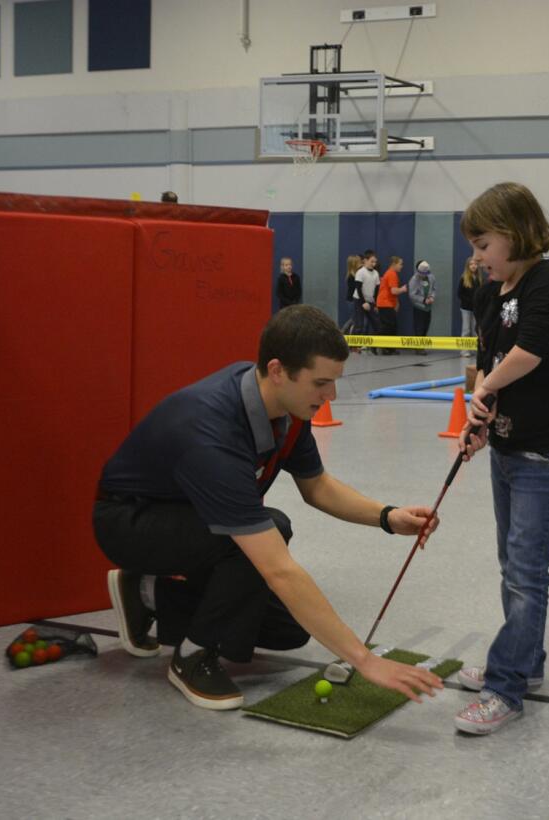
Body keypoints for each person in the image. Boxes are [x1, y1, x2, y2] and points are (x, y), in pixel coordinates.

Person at [93, 306, 444, 711]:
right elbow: (277, 568)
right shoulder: (212, 433)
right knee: (267, 533)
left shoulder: (286, 407)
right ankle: (191, 656)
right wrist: (363, 660)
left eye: (334, 383)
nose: (331, 397)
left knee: (285, 631)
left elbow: (318, 486)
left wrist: (387, 516)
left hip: (188, 518)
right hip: (128, 522)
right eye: (321, 383)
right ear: (278, 370)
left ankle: (146, 592)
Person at [453, 182, 549, 735]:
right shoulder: (493, 292)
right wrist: (477, 419)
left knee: (528, 573)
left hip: (546, 454)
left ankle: (505, 687)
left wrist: (483, 393)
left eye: (484, 244)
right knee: (513, 566)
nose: (477, 257)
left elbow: (528, 352)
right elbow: (488, 360)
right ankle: (525, 665)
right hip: (505, 447)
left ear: (515, 232)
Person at [376, 256, 407, 354]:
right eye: (400, 264)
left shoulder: (390, 273)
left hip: (387, 303)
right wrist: (403, 289)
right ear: (394, 264)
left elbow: (391, 291)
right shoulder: (392, 274)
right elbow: (394, 291)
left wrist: (396, 303)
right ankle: (375, 344)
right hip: (385, 303)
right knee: (387, 327)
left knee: (391, 327)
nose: (402, 266)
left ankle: (389, 348)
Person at [354, 250, 381, 338]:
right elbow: (358, 288)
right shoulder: (361, 272)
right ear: (365, 261)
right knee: (359, 325)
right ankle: (353, 347)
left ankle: (373, 347)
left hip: (370, 301)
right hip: (359, 300)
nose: (374, 264)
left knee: (376, 323)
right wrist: (363, 302)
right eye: (371, 261)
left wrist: (376, 304)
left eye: (375, 262)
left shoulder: (376, 273)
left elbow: (377, 290)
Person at [408, 260, 436, 341]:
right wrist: (423, 300)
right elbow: (412, 295)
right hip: (419, 307)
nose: (424, 275)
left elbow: (434, 289)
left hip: (428, 308)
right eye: (422, 273)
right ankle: (418, 347)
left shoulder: (431, 277)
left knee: (426, 326)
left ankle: (422, 344)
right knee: (419, 327)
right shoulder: (414, 280)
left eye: (425, 273)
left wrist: (432, 297)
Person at [459, 258, 482, 344]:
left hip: (476, 308)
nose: (473, 266)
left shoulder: (480, 278)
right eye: (471, 264)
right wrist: (470, 301)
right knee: (466, 330)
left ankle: (477, 350)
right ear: (468, 266)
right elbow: (460, 294)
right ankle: (465, 351)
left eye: (475, 264)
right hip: (466, 308)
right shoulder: (463, 278)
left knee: (475, 329)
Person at [342, 254, 362, 334]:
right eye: (359, 262)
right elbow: (356, 288)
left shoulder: (357, 274)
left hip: (355, 300)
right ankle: (344, 332)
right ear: (354, 264)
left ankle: (343, 331)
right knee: (355, 319)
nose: (361, 264)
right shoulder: (351, 276)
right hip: (352, 300)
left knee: (354, 319)